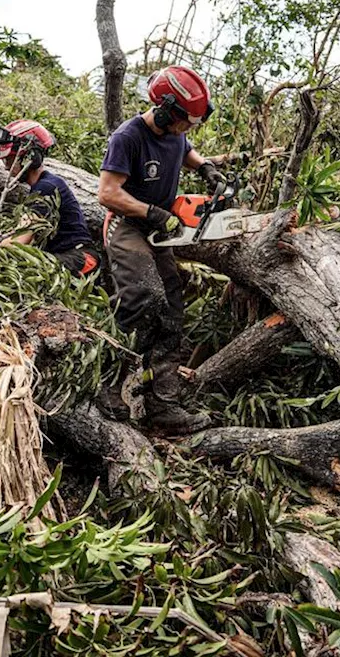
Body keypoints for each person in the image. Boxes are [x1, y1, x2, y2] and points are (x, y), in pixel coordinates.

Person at [97, 66, 227, 433]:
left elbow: (184, 148)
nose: (188, 128)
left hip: (158, 229)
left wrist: (206, 168)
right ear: (167, 110)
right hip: (127, 226)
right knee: (141, 299)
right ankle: (108, 383)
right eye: (186, 120)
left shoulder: (176, 134)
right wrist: (152, 212)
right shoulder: (128, 136)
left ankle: (162, 405)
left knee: (170, 308)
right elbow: (107, 193)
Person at [0, 119, 101, 277]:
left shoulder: (47, 188)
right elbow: (10, 238)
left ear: (29, 157)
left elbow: (17, 244)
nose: (6, 167)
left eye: (10, 160)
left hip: (80, 258)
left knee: (20, 268)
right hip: (65, 256)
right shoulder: (40, 188)